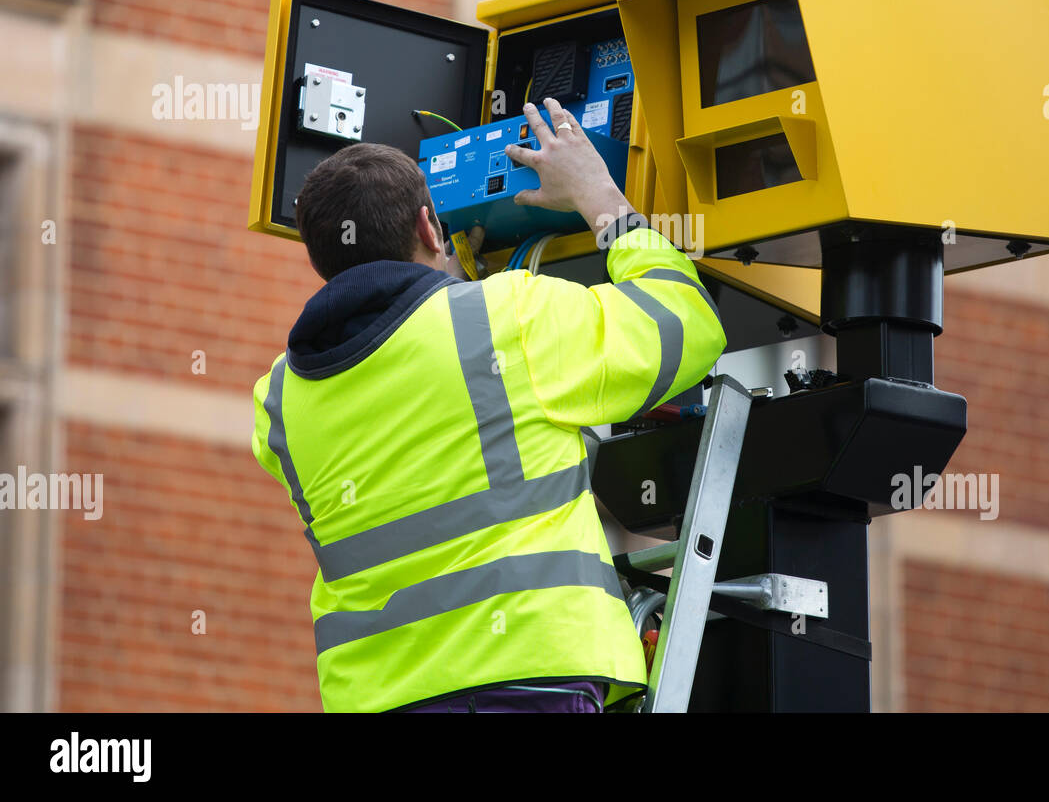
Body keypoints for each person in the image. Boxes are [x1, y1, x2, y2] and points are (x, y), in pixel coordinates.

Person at [250, 97, 727, 712]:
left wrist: (443, 298)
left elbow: (410, 399)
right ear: (429, 227)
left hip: (379, 697)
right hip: (525, 678)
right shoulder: (509, 318)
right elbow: (687, 326)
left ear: (322, 260)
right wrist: (603, 203)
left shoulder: (279, 402)